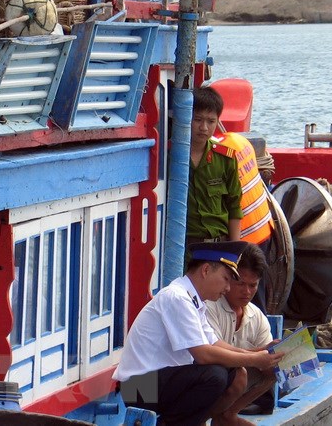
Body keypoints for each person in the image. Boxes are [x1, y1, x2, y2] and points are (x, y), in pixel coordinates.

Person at [113, 241, 284, 426]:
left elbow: (215, 344)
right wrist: (255, 360)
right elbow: (203, 354)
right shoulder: (177, 297)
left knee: (234, 373)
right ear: (206, 270)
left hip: (153, 384)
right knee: (214, 375)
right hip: (137, 389)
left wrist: (259, 353)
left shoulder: (194, 302)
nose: (228, 288)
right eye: (226, 279)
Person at [206, 242, 277, 416]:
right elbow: (209, 354)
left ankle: (229, 414)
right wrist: (258, 355)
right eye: (241, 283)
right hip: (144, 383)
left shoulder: (257, 316)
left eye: (253, 285)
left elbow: (266, 361)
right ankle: (205, 418)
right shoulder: (208, 305)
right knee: (237, 374)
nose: (247, 292)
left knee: (275, 369)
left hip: (226, 383)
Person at [213, 131, 275, 313]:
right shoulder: (240, 141)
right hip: (264, 228)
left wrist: (233, 249)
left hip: (244, 237)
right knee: (255, 289)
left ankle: (252, 326)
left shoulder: (217, 157)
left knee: (243, 291)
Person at [186, 87, 243, 248]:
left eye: (211, 121)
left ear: (218, 121)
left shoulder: (226, 158)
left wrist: (235, 250)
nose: (204, 127)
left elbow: (234, 206)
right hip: (182, 248)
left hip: (218, 246)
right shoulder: (169, 157)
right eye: (198, 119)